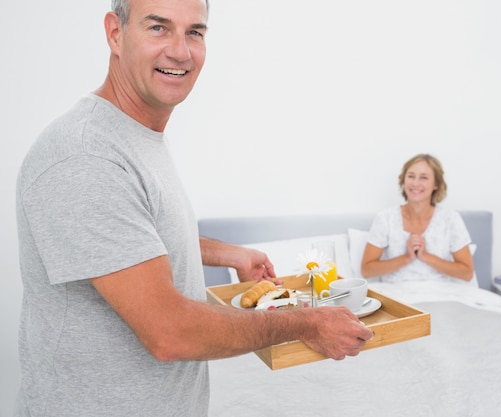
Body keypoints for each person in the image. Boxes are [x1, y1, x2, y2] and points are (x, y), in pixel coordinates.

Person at [14, 0, 372, 416]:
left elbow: (134, 236)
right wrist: (307, 322)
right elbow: (170, 333)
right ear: (115, 33)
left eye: (195, 32)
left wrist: (228, 254)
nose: (181, 51)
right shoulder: (85, 156)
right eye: (158, 28)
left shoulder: (135, 136)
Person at [360, 153, 475, 284]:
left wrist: (425, 256)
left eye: (424, 178)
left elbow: (467, 273)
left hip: (439, 295)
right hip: (396, 297)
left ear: (436, 184)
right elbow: (366, 270)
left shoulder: (450, 219)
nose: (415, 183)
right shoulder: (385, 218)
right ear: (403, 180)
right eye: (411, 176)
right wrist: (407, 258)